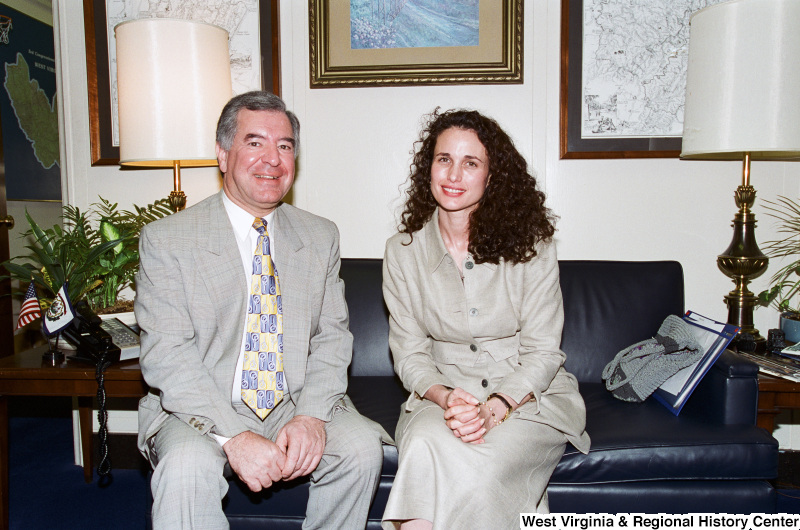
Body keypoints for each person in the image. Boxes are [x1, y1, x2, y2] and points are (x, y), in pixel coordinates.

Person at [135, 90, 384, 529]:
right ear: (223, 154)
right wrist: (234, 435)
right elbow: (167, 356)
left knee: (361, 447)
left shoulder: (320, 235)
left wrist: (309, 416)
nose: (272, 159)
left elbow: (333, 337)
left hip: (292, 402)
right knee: (186, 467)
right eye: (255, 143)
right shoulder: (167, 240)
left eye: (284, 146)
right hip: (201, 407)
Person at [381, 109, 591, 529]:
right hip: (443, 393)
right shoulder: (402, 252)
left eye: (470, 163)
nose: (454, 174)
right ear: (429, 167)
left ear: (492, 177)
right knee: (423, 447)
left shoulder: (532, 246)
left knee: (481, 471)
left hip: (527, 397)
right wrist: (445, 397)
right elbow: (409, 353)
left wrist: (495, 407)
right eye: (444, 159)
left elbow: (544, 351)